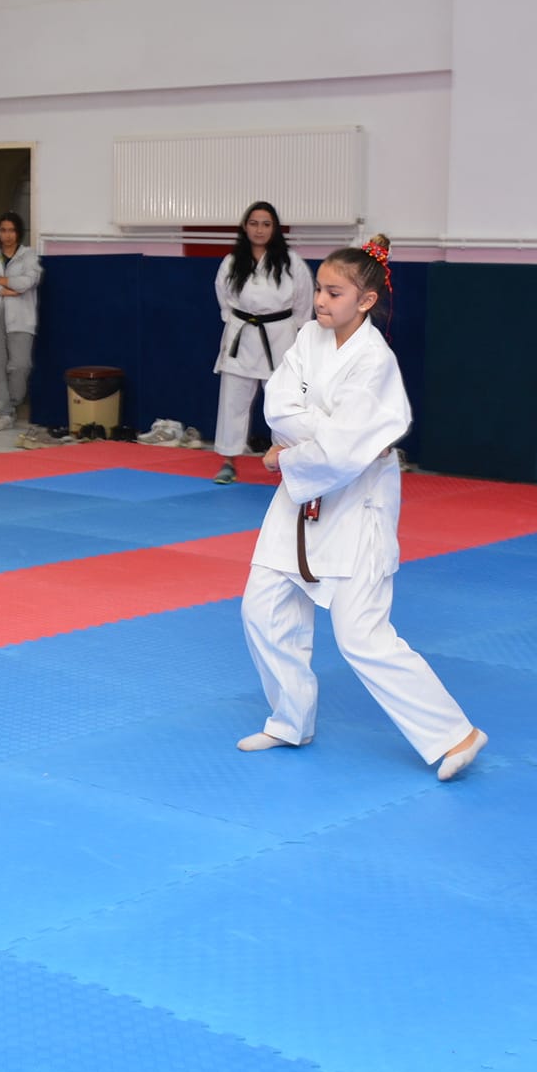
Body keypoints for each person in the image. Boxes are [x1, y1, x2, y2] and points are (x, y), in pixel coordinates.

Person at [233, 239, 486, 779]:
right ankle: (290, 720)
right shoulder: (309, 337)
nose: (321, 301)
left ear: (366, 300)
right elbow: (279, 406)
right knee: (262, 609)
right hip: (299, 501)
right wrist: (317, 437)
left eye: (334, 292)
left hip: (358, 504)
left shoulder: (375, 362)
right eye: (320, 290)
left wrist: (287, 455)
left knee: (361, 635)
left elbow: (345, 450)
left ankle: (456, 734)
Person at [212, 202, 313, 484]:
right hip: (242, 334)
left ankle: (285, 460)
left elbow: (303, 302)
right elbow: (224, 299)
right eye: (254, 223)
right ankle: (228, 461)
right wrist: (235, 320)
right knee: (232, 400)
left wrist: (297, 332)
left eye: (266, 224)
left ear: (275, 228)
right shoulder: (232, 262)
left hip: (280, 336)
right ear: (245, 227)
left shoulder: (291, 262)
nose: (259, 230)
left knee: (283, 402)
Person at [0, 211, 43, 431]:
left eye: (11, 230)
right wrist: (3, 291)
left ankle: (12, 401)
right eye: (3, 230)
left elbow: (28, 281)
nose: (7, 235)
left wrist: (1, 280)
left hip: (21, 317)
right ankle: (3, 413)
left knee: (21, 364)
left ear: (18, 232)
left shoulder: (29, 256)